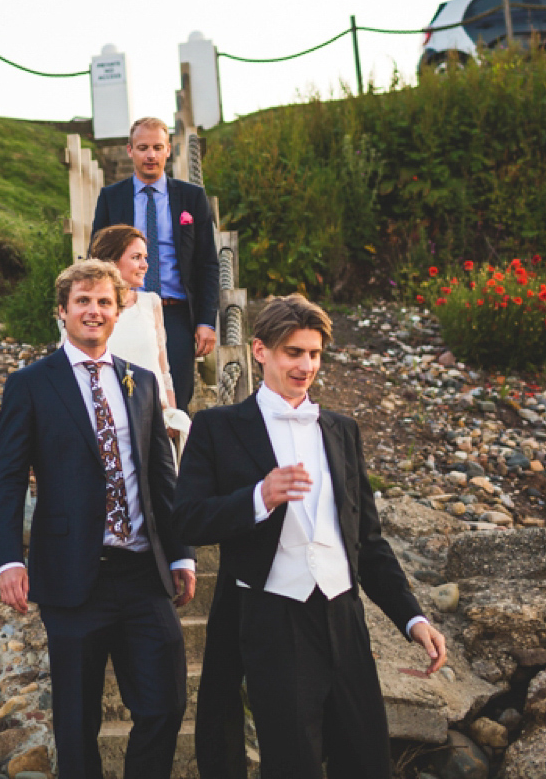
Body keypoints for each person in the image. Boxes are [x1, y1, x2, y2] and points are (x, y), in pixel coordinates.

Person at [173, 294, 448, 779]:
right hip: (272, 616)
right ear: (260, 351)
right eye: (293, 353)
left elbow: (369, 540)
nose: (305, 366)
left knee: (365, 757)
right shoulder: (217, 427)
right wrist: (259, 497)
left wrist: (412, 617)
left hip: (344, 614)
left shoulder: (342, 431)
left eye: (314, 354)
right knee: (292, 763)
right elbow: (189, 520)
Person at [0, 259, 197, 779]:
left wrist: (181, 552)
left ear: (120, 309)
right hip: (72, 577)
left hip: (141, 574)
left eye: (104, 301)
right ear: (62, 310)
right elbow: (9, 478)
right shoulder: (31, 384)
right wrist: (9, 560)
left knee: (166, 704)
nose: (94, 310)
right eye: (83, 300)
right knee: (77, 723)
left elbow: (161, 480)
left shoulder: (142, 382)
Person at [92, 116, 220, 412]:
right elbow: (97, 257)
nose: (150, 155)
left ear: (168, 151)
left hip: (175, 312)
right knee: (121, 393)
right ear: (130, 151)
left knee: (176, 399)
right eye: (143, 147)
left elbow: (207, 264)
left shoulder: (192, 197)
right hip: (126, 309)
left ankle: (172, 457)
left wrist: (205, 321)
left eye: (157, 147)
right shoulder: (112, 198)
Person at [81, 224, 192, 455]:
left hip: (155, 423)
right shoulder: (86, 314)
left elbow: (164, 372)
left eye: (145, 257)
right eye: (136, 257)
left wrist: (171, 414)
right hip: (106, 425)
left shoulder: (151, 303)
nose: (145, 265)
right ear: (111, 262)